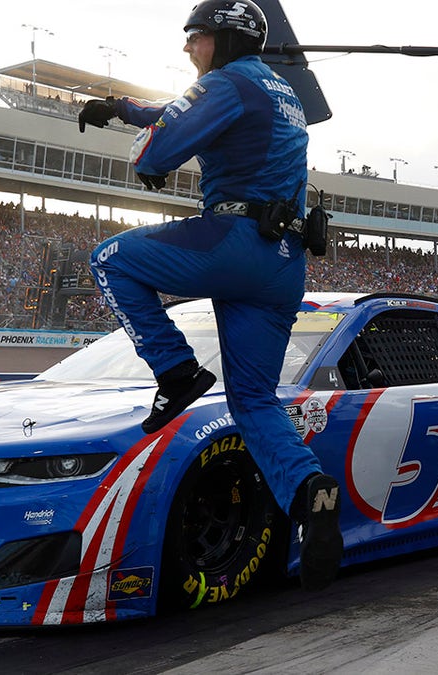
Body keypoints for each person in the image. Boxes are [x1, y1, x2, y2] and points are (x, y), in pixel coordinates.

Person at [76, 0, 342, 591]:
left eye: (193, 39)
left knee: (110, 259)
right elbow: (182, 108)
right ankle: (308, 489)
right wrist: (121, 107)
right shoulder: (275, 87)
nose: (189, 51)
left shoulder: (226, 81)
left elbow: (158, 149)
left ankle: (176, 374)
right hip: (283, 265)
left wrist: (148, 152)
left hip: (234, 241)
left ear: (220, 39)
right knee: (252, 400)